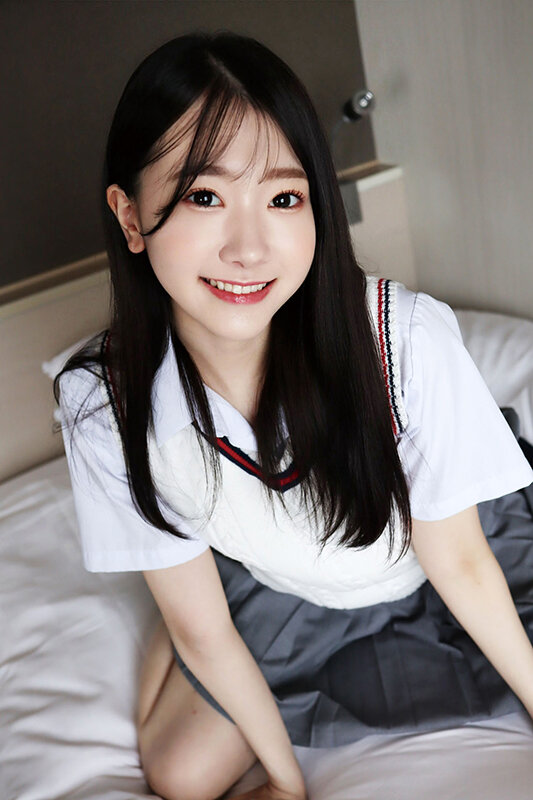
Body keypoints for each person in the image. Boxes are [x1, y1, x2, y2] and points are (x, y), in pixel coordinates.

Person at [55, 31, 533, 800]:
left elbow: (462, 563)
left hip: (458, 558)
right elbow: (202, 631)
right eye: (204, 196)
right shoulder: (101, 404)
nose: (249, 249)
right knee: (180, 775)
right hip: (291, 586)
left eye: (283, 198)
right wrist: (287, 785)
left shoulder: (401, 338)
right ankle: (180, 563)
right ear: (130, 216)